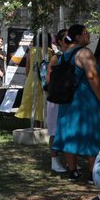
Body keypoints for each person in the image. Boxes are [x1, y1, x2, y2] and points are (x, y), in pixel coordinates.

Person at [54, 24, 100, 181]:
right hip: (85, 100)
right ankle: (92, 173)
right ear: (77, 36)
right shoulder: (84, 53)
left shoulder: (65, 54)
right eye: (85, 33)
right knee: (92, 133)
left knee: (70, 132)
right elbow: (92, 77)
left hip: (67, 100)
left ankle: (73, 171)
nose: (88, 35)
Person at [45, 29, 72, 173]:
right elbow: (49, 79)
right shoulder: (57, 57)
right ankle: (54, 159)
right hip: (57, 99)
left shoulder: (72, 55)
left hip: (67, 98)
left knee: (68, 130)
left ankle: (70, 160)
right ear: (61, 41)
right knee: (54, 130)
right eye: (67, 38)